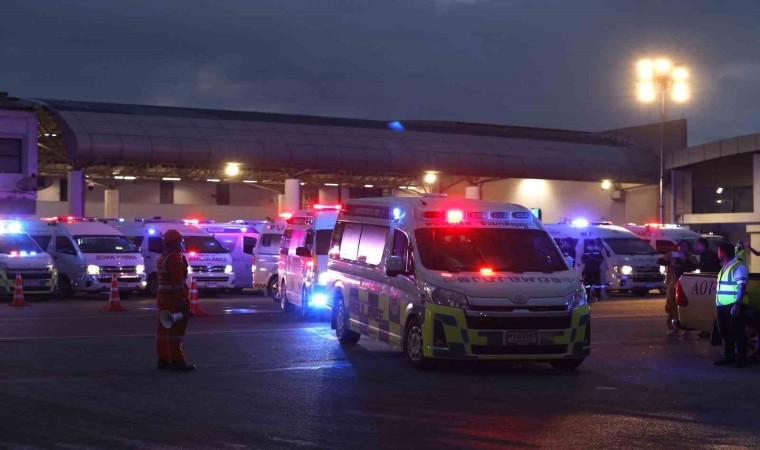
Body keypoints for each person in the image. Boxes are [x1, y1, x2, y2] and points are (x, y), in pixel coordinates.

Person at [156, 229, 195, 372]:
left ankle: (164, 359)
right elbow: (177, 283)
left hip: (163, 298)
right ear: (173, 243)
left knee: (164, 331)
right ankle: (178, 361)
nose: (182, 243)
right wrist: (182, 302)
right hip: (174, 299)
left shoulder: (163, 258)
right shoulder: (174, 259)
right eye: (179, 241)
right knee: (176, 333)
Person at [714, 243, 749, 368]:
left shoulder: (739, 267)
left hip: (733, 305)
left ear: (723, 252)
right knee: (725, 333)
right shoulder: (725, 267)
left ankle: (741, 359)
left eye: (718, 251)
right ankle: (728, 357)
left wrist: (737, 304)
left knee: (738, 332)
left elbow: (742, 286)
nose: (717, 253)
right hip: (722, 305)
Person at [657, 240, 698, 336]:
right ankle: (673, 327)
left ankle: (686, 327)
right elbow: (659, 261)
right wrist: (670, 263)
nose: (683, 248)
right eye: (681, 246)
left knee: (686, 307)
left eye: (685, 246)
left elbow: (694, 267)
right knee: (672, 307)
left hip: (686, 285)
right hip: (672, 285)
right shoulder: (672, 255)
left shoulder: (691, 257)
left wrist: (685, 260)